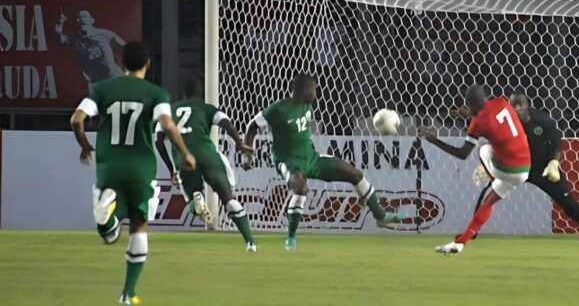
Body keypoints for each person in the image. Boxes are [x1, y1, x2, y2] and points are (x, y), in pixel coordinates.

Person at [70, 42, 196, 305]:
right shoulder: (156, 93)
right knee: (139, 225)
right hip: (140, 165)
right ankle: (128, 293)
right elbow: (167, 125)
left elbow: (76, 119)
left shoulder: (102, 89)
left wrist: (84, 145)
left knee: (109, 235)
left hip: (110, 164)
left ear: (122, 63)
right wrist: (184, 152)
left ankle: (108, 217)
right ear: (148, 64)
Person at [244, 73, 403, 250]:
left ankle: (380, 215)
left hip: (313, 159)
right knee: (300, 188)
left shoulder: (308, 107)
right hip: (289, 163)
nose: (316, 93)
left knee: (355, 174)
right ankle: (291, 239)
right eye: (314, 89)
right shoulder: (278, 109)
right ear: (302, 90)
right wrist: (248, 153)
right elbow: (252, 126)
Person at [468, 90, 579, 242]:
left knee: (568, 203)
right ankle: (472, 233)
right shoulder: (506, 122)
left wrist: (553, 163)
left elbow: (556, 144)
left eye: (519, 105)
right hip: (516, 167)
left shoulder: (544, 121)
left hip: (541, 168)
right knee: (488, 194)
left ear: (527, 106)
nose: (516, 109)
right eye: (513, 105)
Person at [419, 85, 530, 254]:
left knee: (483, 150)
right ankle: (460, 243)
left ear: (469, 104)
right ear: (485, 97)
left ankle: (492, 178)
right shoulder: (501, 101)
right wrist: (471, 116)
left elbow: (463, 153)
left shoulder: (478, 123)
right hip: (525, 168)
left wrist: (435, 141)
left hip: (506, 170)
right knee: (488, 202)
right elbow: (494, 121)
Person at [155, 80, 257, 252]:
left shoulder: (169, 111)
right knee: (229, 200)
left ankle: (197, 199)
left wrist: (171, 168)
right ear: (200, 93)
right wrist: (239, 144)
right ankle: (250, 243)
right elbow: (227, 124)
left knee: (193, 204)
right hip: (207, 154)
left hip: (184, 158)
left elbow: (158, 141)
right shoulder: (207, 108)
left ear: (183, 93)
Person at [56, 9, 126, 90]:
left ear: (92, 20)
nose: (81, 19)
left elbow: (126, 47)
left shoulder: (105, 34)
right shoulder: (74, 38)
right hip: (96, 84)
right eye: (79, 18)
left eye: (85, 17)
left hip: (114, 78)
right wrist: (60, 21)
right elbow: (58, 38)